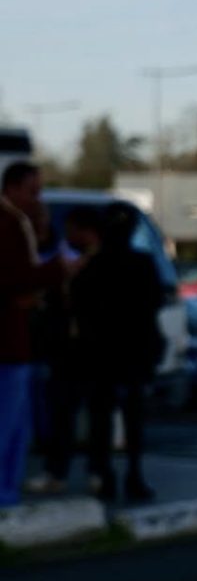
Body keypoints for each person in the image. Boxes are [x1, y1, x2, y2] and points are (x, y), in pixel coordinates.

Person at [70, 201, 163, 503]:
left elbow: (79, 307)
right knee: (133, 418)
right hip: (133, 352)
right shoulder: (143, 264)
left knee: (101, 417)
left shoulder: (91, 265)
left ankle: (105, 474)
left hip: (99, 353)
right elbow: (154, 304)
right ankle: (132, 475)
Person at [0, 163, 74, 508]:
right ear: (12, 189)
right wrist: (57, 270)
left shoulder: (18, 222)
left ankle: (8, 493)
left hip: (18, 340)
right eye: (32, 191)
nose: (37, 199)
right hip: (9, 341)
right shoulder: (8, 224)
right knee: (9, 425)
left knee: (17, 426)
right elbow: (16, 279)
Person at [26, 205, 99, 493]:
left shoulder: (83, 262)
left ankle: (74, 471)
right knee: (62, 412)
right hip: (61, 348)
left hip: (81, 349)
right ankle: (61, 470)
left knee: (76, 412)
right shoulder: (59, 258)